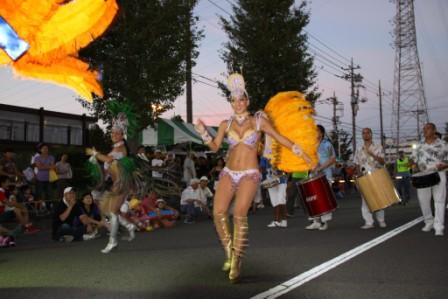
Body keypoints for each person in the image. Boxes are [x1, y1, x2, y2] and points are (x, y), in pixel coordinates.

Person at [194, 73, 313, 283]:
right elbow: (214, 147)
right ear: (230, 102)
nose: (238, 103)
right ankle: (230, 254)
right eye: (233, 100)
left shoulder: (258, 121)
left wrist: (301, 153)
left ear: (247, 101)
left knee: (239, 213)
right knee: (218, 212)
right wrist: (204, 133)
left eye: (241, 99)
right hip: (229, 172)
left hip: (250, 173)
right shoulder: (225, 124)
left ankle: (237, 261)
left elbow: (279, 138)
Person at [85, 110, 138, 253]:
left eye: (116, 133)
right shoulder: (114, 147)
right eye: (112, 133)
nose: (113, 135)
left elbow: (109, 160)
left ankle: (113, 241)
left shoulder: (121, 148)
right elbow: (108, 167)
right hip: (116, 183)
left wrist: (95, 154)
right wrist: (95, 161)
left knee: (112, 212)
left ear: (122, 135)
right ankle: (129, 226)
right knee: (105, 209)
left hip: (121, 184)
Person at [410, 123, 448, 236]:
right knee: (423, 201)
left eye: (428, 128)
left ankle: (439, 227)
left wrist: (444, 166)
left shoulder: (443, 144)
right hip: (422, 175)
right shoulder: (419, 145)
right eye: (424, 129)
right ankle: (428, 222)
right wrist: (412, 165)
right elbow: (412, 160)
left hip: (438, 174)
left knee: (439, 201)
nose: (425, 130)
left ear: (434, 130)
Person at [353, 128, 387, 229]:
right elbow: (357, 163)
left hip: (376, 175)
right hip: (364, 176)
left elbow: (382, 162)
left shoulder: (378, 146)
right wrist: (358, 176)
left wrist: (373, 154)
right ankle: (368, 222)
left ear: (371, 134)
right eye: (363, 133)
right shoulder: (359, 148)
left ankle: (381, 220)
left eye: (367, 133)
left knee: (379, 199)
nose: (365, 135)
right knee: (365, 200)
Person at [305, 125, 336, 231]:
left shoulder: (327, 144)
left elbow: (332, 159)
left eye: (317, 131)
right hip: (313, 174)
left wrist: (321, 167)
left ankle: (324, 222)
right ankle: (316, 221)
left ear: (322, 133)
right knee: (314, 198)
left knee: (324, 198)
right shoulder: (310, 145)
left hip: (325, 174)